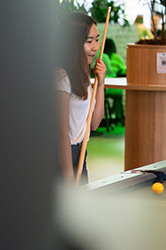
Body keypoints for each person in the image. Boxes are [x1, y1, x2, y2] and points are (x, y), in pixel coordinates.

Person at [56, 13, 106, 185]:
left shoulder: (84, 76)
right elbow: (60, 133)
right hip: (63, 158)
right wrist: (69, 181)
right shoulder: (63, 78)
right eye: (89, 41)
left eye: (97, 40)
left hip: (80, 153)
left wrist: (101, 84)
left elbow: (94, 124)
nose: (95, 47)